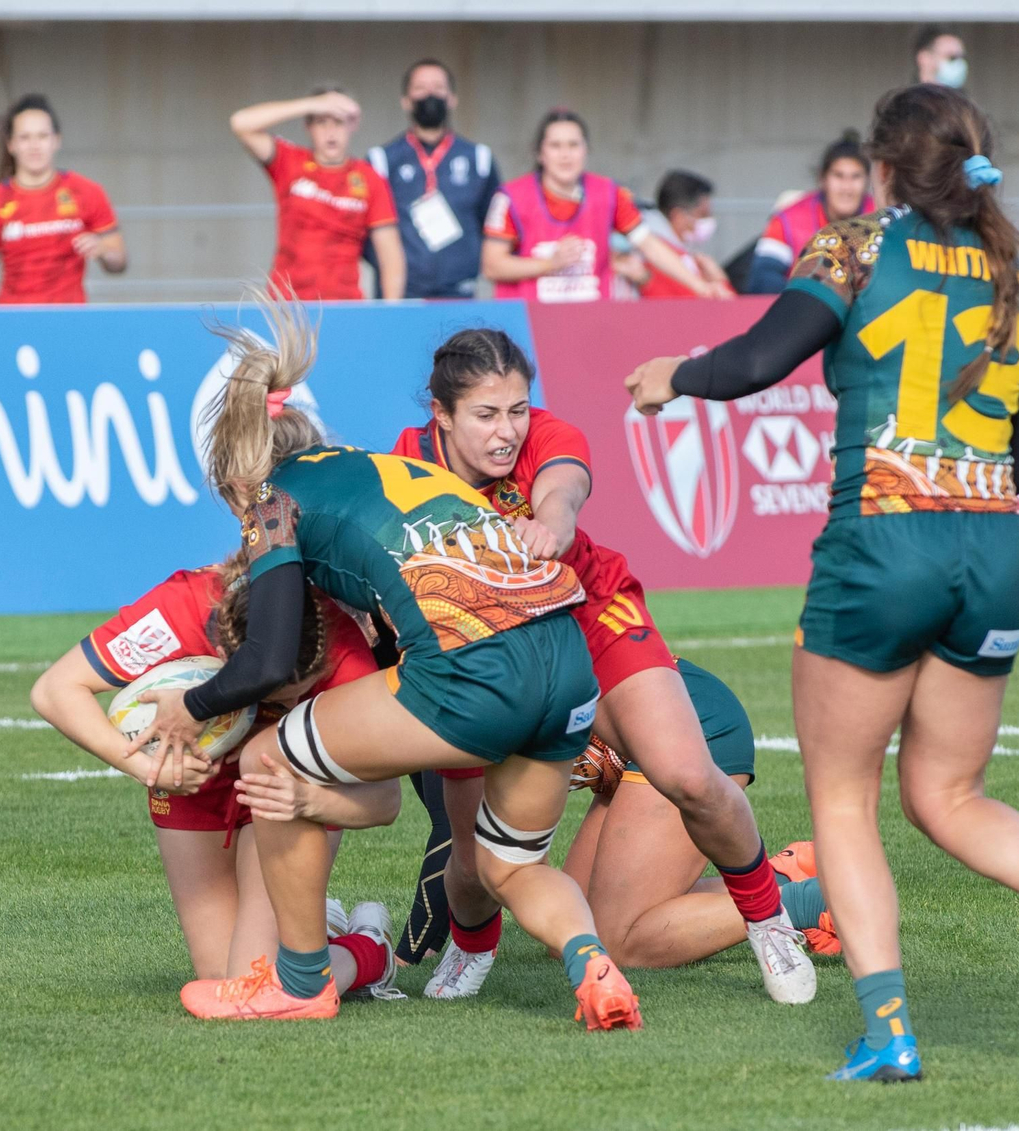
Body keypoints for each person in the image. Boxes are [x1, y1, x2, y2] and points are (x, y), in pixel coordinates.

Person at [625, 84, 1019, 1082]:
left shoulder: (852, 245)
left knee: (841, 799)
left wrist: (673, 376)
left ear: (884, 165)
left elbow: (755, 360)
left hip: (882, 543)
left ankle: (889, 1034)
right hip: (994, 552)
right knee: (949, 791)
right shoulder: (1018, 278)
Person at [124, 297, 640, 1029]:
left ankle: (300, 984)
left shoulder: (273, 504)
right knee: (512, 866)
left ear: (240, 478)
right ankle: (593, 963)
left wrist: (195, 704)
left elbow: (271, 656)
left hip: (479, 669)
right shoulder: (369, 465)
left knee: (273, 757)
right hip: (566, 661)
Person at [390, 329, 815, 1005]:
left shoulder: (543, 438)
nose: (507, 432)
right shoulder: (406, 468)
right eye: (486, 414)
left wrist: (549, 523)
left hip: (592, 620)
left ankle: (771, 914)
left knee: (685, 777)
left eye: (518, 410)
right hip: (485, 654)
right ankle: (474, 947)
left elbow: (563, 488)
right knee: (478, 861)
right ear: (440, 414)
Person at [28, 561, 405, 1000]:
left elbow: (386, 800)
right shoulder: (183, 607)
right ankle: (326, 930)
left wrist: (307, 801)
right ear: (228, 656)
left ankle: (368, 953)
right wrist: (148, 768)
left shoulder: (345, 657)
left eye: (289, 695)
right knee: (217, 977)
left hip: (283, 793)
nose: (274, 703)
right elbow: (54, 690)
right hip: (194, 783)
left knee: (251, 987)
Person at [559, 662, 840, 966]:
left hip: (682, 722)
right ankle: (779, 879)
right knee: (570, 926)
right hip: (647, 721)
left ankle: (813, 900)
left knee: (615, 942)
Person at [482, 109, 713, 302]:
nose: (565, 154)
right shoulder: (511, 197)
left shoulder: (609, 194)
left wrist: (700, 287)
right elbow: (492, 266)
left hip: (591, 324)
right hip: (529, 326)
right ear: (540, 153)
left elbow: (649, 245)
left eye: (573, 145)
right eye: (555, 146)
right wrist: (550, 264)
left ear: (586, 150)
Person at [230, 88, 405, 301]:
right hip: (287, 304)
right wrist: (311, 104)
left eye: (338, 122)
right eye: (321, 122)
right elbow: (241, 123)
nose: (330, 132)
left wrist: (391, 310)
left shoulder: (369, 178)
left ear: (352, 125)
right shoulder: (289, 161)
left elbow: (390, 255)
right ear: (308, 127)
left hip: (344, 304)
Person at [0, 94, 126, 305]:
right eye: (25, 137)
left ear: (56, 140)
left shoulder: (87, 192)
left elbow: (119, 262)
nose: (34, 145)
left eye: (42, 136)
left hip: (71, 320)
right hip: (15, 323)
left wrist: (103, 250)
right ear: (11, 145)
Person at [366, 59, 500, 300]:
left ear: (452, 98)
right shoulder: (381, 160)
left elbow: (492, 225)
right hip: (400, 295)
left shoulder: (479, 158)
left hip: (460, 294)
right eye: (420, 88)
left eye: (438, 87)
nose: (430, 94)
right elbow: (367, 232)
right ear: (405, 100)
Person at [744, 133, 873, 295]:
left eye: (855, 177)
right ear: (823, 179)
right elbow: (762, 278)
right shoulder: (787, 219)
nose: (846, 188)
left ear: (867, 180)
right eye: (838, 176)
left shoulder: (885, 220)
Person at [625, 170, 734, 300]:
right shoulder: (661, 256)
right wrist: (720, 279)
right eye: (702, 215)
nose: (708, 221)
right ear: (678, 216)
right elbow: (708, 306)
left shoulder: (686, 254)